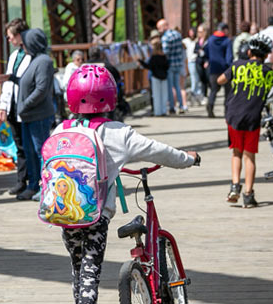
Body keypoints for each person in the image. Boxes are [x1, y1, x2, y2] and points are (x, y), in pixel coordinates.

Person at [57, 64, 200, 304]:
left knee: (79, 270)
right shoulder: (118, 133)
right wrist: (188, 159)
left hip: (64, 212)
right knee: (91, 273)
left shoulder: (61, 129)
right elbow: (159, 151)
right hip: (95, 215)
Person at [217, 34, 273, 207]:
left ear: (248, 51)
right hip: (252, 118)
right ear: (267, 55)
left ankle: (234, 186)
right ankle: (248, 195)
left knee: (236, 152)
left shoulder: (238, 66)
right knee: (249, 156)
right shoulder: (267, 72)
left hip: (233, 116)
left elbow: (220, 80)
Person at [13, 28, 56, 201]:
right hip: (28, 115)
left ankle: (45, 187)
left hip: (38, 115)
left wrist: (24, 105)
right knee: (30, 153)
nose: (23, 46)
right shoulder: (35, 59)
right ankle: (33, 185)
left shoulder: (44, 61)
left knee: (40, 152)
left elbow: (41, 89)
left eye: (25, 42)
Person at [0, 18, 32, 196]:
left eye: (10, 36)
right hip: (12, 106)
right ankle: (21, 180)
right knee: (19, 146)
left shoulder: (33, 55)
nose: (8, 40)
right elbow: (8, 84)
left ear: (19, 35)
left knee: (31, 146)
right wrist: (2, 105)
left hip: (27, 107)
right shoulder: (14, 56)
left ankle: (34, 180)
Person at [203, 22, 233, 118]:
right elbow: (229, 57)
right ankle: (227, 111)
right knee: (227, 92)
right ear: (225, 30)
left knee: (213, 90)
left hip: (213, 68)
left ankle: (210, 107)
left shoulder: (210, 39)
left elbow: (205, 51)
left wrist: (209, 60)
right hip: (225, 70)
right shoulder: (227, 41)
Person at [157, 19, 188, 114]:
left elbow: (166, 52)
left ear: (164, 26)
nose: (159, 30)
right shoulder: (177, 35)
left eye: (159, 28)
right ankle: (181, 105)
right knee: (177, 86)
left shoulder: (165, 37)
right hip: (178, 64)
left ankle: (172, 107)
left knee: (170, 87)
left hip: (170, 65)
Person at [138, 36, 169, 116]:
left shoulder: (154, 57)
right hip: (164, 77)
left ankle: (157, 112)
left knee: (156, 95)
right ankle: (164, 111)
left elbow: (149, 66)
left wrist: (140, 61)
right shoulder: (164, 57)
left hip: (155, 77)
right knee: (164, 95)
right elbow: (167, 66)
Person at [182, 27, 203, 105]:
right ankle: (194, 94)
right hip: (190, 61)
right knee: (194, 79)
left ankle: (195, 95)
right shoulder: (185, 41)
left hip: (197, 61)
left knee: (197, 79)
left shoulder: (197, 41)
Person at [194, 23, 210, 98]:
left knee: (206, 77)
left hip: (206, 61)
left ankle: (205, 93)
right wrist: (198, 51)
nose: (199, 33)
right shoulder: (197, 41)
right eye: (198, 32)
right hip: (199, 61)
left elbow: (211, 52)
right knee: (201, 77)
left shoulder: (208, 41)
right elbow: (195, 50)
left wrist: (208, 61)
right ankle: (203, 93)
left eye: (200, 32)